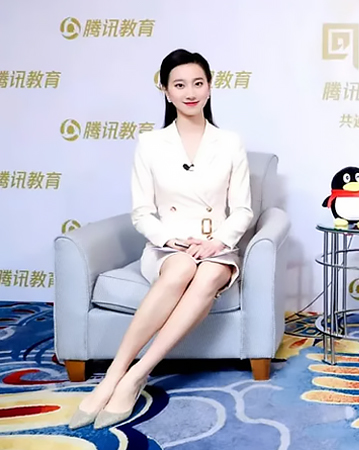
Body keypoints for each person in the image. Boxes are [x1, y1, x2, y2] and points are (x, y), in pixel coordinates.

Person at [69, 49, 254, 429]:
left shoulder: (229, 142)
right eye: (180, 85)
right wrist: (171, 240)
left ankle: (137, 375)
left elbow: (243, 210)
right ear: (166, 91)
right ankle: (113, 375)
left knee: (207, 273)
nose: (190, 92)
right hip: (168, 246)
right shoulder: (151, 143)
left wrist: (218, 242)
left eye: (198, 83)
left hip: (216, 246)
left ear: (210, 87)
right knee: (182, 268)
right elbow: (142, 212)